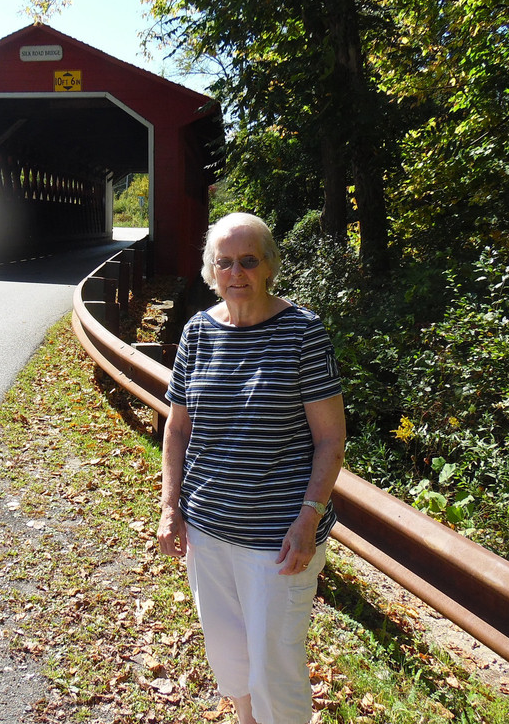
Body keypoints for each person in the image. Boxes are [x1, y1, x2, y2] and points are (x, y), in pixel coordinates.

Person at [157, 212, 346, 724]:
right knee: (228, 653)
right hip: (207, 529)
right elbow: (177, 429)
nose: (235, 272)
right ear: (210, 271)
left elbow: (331, 437)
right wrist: (169, 507)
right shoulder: (198, 332)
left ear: (268, 267)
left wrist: (309, 518)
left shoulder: (302, 333)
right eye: (224, 263)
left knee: (275, 668)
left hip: (277, 540)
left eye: (247, 261)